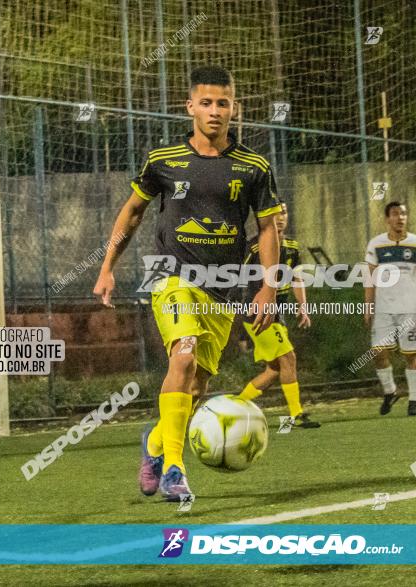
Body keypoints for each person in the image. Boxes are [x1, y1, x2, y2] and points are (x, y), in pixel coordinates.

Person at [93, 65, 282, 501]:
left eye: (223, 103)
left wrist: (269, 287)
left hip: (223, 284)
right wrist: (107, 266)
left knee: (197, 385)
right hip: (170, 275)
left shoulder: (254, 167)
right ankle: (175, 470)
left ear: (235, 108)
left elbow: (269, 228)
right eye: (206, 102)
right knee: (183, 355)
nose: (215, 111)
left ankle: (156, 443)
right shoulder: (163, 161)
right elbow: (133, 213)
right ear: (190, 107)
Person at [235, 203, 320, 428]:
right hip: (258, 315)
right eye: (275, 213)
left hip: (277, 314)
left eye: (283, 212)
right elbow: (235, 276)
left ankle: (235, 407)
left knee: (274, 369)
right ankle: (296, 414)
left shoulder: (291, 246)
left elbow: (296, 278)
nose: (280, 217)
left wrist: (303, 307)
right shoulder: (253, 247)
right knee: (288, 358)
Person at [364, 202, 416, 416]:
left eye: (403, 213)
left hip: (410, 308)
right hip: (384, 309)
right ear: (387, 219)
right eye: (395, 214)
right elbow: (369, 276)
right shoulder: (376, 244)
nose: (400, 218)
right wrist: (368, 305)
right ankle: (390, 391)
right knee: (378, 352)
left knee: (411, 355)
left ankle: (414, 400)